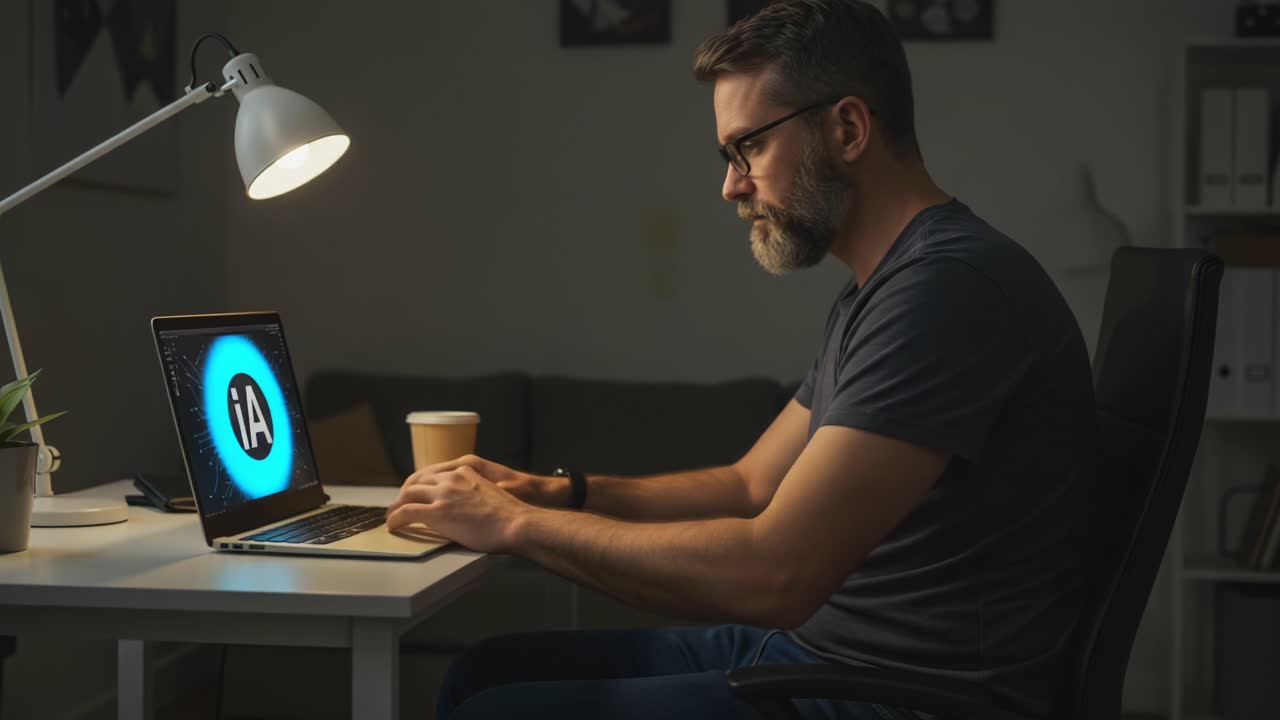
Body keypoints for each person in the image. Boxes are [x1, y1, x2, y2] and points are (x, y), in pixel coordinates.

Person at [388, 1, 1099, 718]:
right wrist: (552, 492)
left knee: (494, 711)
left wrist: (515, 527)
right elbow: (749, 483)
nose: (731, 185)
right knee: (482, 673)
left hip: (891, 695)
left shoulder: (947, 291)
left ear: (847, 128)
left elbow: (775, 575)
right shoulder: (883, 290)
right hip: (821, 655)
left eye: (748, 148)